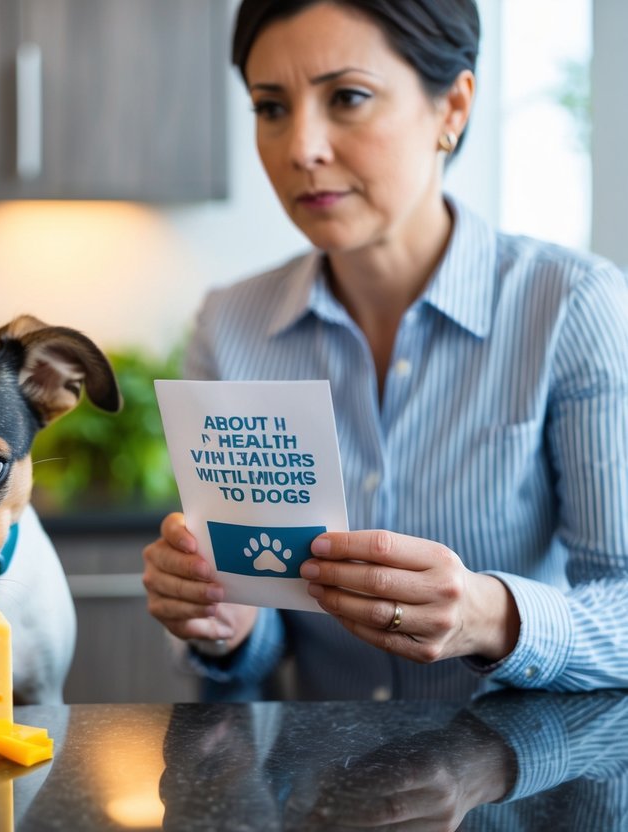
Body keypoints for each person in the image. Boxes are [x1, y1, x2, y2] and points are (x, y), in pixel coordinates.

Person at [142, 0, 628, 700]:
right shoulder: (230, 326)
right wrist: (227, 622)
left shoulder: (571, 305)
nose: (300, 147)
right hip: (320, 798)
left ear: (451, 108)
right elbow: (256, 644)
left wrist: (489, 615)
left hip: (522, 793)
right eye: (269, 107)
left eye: (347, 97)